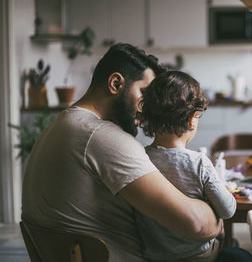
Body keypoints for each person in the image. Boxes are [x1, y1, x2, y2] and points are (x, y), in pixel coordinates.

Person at [21, 43, 223, 262]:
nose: (148, 108)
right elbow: (195, 224)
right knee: (237, 255)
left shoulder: (61, 124)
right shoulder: (102, 136)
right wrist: (219, 217)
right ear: (116, 83)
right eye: (144, 94)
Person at [136, 71, 237, 261]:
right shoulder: (198, 162)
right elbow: (228, 209)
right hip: (198, 256)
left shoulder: (140, 158)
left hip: (154, 257)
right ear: (192, 118)